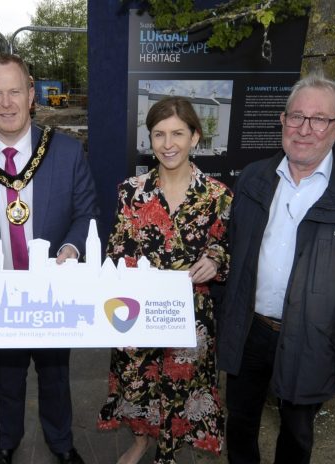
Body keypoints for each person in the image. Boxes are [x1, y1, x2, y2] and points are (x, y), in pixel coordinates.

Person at [217, 73, 335, 463]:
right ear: (282, 121)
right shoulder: (254, 179)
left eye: (319, 119)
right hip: (251, 331)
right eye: (296, 116)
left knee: (297, 434)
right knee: (240, 423)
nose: (305, 129)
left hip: (315, 340)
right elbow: (233, 254)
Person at [0, 52, 97, 464]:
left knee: (55, 373)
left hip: (52, 288)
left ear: (32, 95)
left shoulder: (65, 151)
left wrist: (71, 249)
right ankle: (6, 442)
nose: (6, 103)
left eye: (15, 91)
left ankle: (61, 443)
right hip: (0, 291)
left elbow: (86, 214)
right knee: (7, 375)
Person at [97, 96, 232, 464]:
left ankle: (169, 452)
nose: (168, 144)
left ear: (195, 137)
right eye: (159, 134)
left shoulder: (217, 196)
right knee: (136, 378)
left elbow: (225, 246)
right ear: (150, 139)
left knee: (180, 383)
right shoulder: (131, 191)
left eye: (177, 134)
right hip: (139, 308)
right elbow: (115, 249)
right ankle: (141, 440)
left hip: (189, 312)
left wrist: (214, 259)